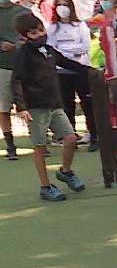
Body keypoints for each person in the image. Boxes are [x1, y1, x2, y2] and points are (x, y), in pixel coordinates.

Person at [11, 11, 89, 201]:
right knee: (39, 146)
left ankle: (65, 171)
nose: (39, 35)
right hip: (36, 106)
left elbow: (66, 62)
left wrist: (90, 71)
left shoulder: (48, 49)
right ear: (24, 36)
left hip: (54, 103)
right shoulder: (23, 53)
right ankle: (45, 186)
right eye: (33, 33)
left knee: (70, 138)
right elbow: (17, 80)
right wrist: (21, 107)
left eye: (40, 30)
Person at [47, 0, 96, 151]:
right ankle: (70, 138)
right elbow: (52, 49)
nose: (62, 8)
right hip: (62, 72)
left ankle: (94, 136)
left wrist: (64, 48)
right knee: (67, 106)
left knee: (88, 104)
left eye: (65, 5)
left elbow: (85, 46)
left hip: (81, 70)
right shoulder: (53, 28)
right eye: (59, 5)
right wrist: (65, 51)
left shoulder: (80, 25)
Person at [0, 0, 30, 159]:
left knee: (31, 104)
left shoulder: (23, 12)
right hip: (3, 66)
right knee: (4, 108)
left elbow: (35, 33)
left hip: (25, 66)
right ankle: (10, 145)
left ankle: (39, 141)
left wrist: (21, 44)